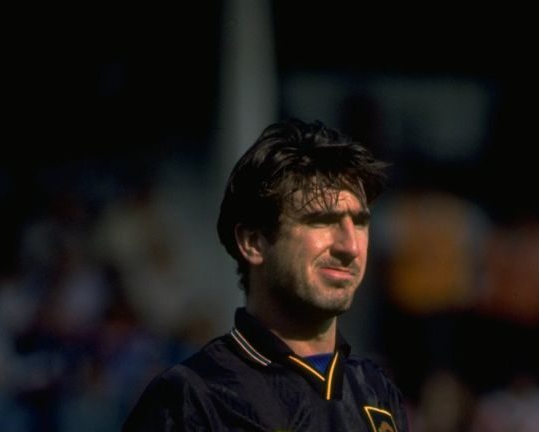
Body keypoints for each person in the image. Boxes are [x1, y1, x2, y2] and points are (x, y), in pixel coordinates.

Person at [122, 119, 409, 431]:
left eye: (360, 222)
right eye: (322, 221)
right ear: (253, 242)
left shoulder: (377, 392)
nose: (350, 246)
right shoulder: (192, 398)